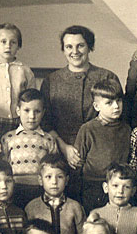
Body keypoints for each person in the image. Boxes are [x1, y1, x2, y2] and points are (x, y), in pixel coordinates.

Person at [40, 25, 121, 175]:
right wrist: (64, 148)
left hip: (101, 158)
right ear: (63, 50)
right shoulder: (51, 81)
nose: (75, 51)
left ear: (90, 47)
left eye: (80, 46)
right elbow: (45, 122)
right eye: (69, 47)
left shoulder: (107, 77)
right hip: (62, 157)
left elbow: (119, 119)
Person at [75, 79, 131, 213]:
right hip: (93, 186)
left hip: (119, 186)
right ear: (96, 106)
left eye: (119, 101)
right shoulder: (88, 129)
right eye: (109, 103)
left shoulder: (127, 129)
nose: (116, 106)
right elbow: (77, 164)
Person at [1, 88, 58, 209]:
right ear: (18, 111)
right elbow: (4, 166)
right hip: (15, 188)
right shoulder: (8, 138)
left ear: (43, 112)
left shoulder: (48, 139)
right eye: (26, 110)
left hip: (39, 188)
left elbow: (54, 167)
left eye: (37, 111)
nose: (32, 116)